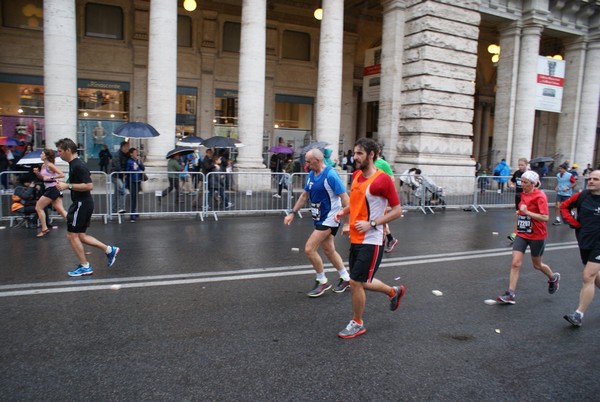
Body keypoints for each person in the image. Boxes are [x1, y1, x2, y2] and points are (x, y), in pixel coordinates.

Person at [334, 138, 405, 339]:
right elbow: (356, 204)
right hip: (356, 238)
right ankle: (393, 291)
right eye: (355, 153)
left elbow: (397, 211)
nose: (355, 157)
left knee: (355, 281)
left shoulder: (382, 180)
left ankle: (357, 322)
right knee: (362, 281)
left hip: (372, 239)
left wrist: (372, 224)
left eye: (359, 154)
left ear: (371, 154)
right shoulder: (356, 175)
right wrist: (344, 214)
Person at [284, 148, 350, 297]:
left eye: (308, 161)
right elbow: (304, 196)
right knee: (328, 250)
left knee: (309, 249)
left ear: (318, 161)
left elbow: (346, 200)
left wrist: (347, 223)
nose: (305, 164)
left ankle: (322, 281)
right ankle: (346, 278)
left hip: (330, 218)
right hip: (319, 217)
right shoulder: (311, 175)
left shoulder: (331, 176)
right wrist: (292, 213)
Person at [54, 138, 119, 277]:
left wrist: (68, 186)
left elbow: (89, 185)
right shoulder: (74, 164)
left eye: (60, 151)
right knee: (81, 236)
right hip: (81, 204)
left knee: (71, 235)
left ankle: (85, 266)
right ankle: (109, 250)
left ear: (68, 150)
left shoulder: (78, 165)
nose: (58, 154)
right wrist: (64, 182)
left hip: (81, 204)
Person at [496, 170, 560, 304]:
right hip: (522, 233)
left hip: (537, 234)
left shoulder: (540, 196)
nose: (521, 184)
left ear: (533, 184)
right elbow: (523, 210)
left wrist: (527, 212)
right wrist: (520, 213)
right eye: (521, 181)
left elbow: (545, 217)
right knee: (515, 263)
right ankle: (510, 293)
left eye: (525, 182)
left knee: (537, 265)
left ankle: (553, 277)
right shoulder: (523, 194)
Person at [560, 170, 600, 327]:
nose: (590, 181)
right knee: (595, 277)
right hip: (585, 241)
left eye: (595, 179)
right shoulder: (582, 195)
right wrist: (573, 223)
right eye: (589, 179)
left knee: (587, 276)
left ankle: (578, 314)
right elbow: (564, 207)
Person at [32, 149, 68, 237]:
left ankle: (44, 229)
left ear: (46, 156)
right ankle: (75, 226)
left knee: (38, 207)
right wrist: (37, 173)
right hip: (50, 188)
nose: (40, 155)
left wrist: (50, 178)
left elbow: (61, 174)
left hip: (52, 188)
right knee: (60, 209)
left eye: (42, 154)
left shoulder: (50, 165)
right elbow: (43, 178)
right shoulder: (43, 165)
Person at [374, 145, 399, 253]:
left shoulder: (383, 164)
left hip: (380, 196)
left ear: (378, 151)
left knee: (380, 218)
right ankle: (389, 239)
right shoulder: (369, 162)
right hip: (371, 195)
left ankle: (388, 239)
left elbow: (391, 178)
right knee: (378, 218)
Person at [507, 158, 529, 242]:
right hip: (518, 196)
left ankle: (516, 234)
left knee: (523, 216)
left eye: (522, 165)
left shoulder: (529, 174)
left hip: (526, 197)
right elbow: (512, 181)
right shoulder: (517, 173)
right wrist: (511, 185)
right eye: (519, 165)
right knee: (520, 215)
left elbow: (538, 184)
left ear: (526, 165)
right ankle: (523, 233)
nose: (520, 166)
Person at [126, 147, 145, 222]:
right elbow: (127, 171)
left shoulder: (137, 161)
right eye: (134, 152)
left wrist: (140, 162)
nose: (136, 154)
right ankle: (132, 214)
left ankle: (134, 210)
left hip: (138, 181)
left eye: (136, 152)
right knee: (133, 197)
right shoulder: (129, 161)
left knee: (136, 197)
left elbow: (143, 168)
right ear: (131, 154)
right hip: (132, 181)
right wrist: (132, 169)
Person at [111, 141, 130, 214]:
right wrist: (123, 174)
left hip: (121, 176)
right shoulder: (117, 155)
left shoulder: (126, 155)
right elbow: (117, 166)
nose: (127, 148)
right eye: (126, 147)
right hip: (115, 176)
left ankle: (113, 209)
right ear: (122, 147)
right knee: (123, 191)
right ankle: (121, 208)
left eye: (128, 147)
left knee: (116, 193)